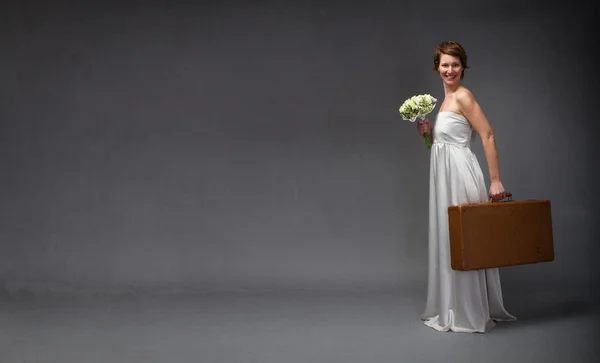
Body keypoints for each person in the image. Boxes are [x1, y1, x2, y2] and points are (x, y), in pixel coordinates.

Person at [416, 41, 516, 333]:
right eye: (445, 65)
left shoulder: (463, 96)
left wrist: (495, 179)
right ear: (437, 67)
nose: (450, 70)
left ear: (463, 67)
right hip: (444, 175)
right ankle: (455, 304)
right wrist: (427, 134)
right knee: (451, 236)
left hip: (460, 175)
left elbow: (487, 135)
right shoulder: (445, 101)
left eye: (455, 65)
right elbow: (441, 147)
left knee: (464, 237)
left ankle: (470, 310)